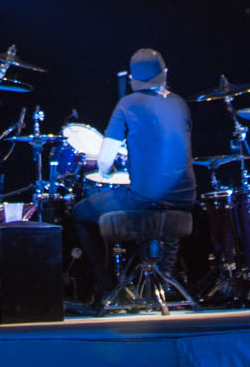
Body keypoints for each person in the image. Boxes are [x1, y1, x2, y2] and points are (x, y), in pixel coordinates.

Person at [68, 49, 195, 308]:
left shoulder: (128, 104)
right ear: (165, 73)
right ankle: (164, 281)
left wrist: (107, 172)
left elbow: (105, 161)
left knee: (80, 212)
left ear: (132, 80)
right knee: (162, 200)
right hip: (186, 199)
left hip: (146, 199)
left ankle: (111, 290)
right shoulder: (181, 103)